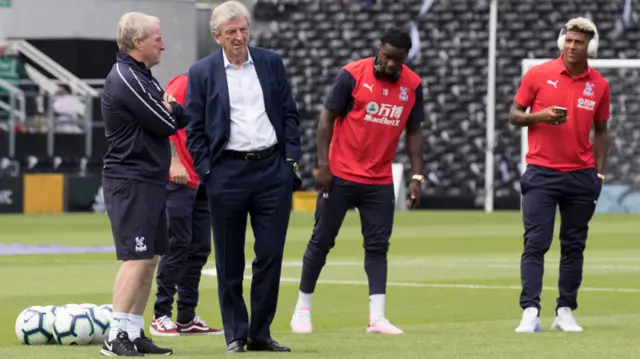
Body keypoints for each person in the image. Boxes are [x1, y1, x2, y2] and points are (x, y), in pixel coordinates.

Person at [290, 28, 425, 335]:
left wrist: (416, 176)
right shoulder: (351, 75)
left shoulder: (413, 85)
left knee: (378, 246)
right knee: (322, 241)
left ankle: (376, 318)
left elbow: (415, 131)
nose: (391, 64)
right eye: (387, 57)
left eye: (398, 60)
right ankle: (302, 309)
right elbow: (326, 118)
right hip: (339, 175)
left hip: (379, 180)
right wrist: (323, 166)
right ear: (379, 49)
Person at [185, 0, 301, 353]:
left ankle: (260, 333)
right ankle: (235, 332)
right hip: (227, 173)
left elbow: (289, 114)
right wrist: (208, 171)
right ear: (216, 35)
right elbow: (195, 130)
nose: (239, 37)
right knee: (229, 258)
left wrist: (290, 161)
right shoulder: (202, 72)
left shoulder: (269, 62)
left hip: (271, 170)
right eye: (231, 31)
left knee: (270, 254)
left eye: (243, 29)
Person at [508, 17, 610, 333]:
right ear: (561, 41)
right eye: (568, 40)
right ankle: (530, 312)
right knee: (535, 243)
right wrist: (540, 116)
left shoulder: (600, 85)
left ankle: (565, 310)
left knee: (574, 245)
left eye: (578, 42)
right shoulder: (538, 75)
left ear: (589, 46)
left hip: (581, 177)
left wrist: (600, 174)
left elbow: (602, 131)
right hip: (541, 173)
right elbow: (514, 115)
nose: (571, 47)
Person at [100, 12, 190, 356]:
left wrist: (169, 108)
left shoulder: (143, 77)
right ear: (138, 43)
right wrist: (168, 108)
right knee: (136, 257)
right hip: (131, 178)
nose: (163, 44)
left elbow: (179, 114)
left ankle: (134, 332)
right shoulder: (126, 76)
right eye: (157, 39)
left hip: (149, 178)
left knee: (150, 257)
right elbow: (167, 121)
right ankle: (115, 335)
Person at [149, 73, 223, 337]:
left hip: (202, 177)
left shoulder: (223, 87)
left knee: (199, 248)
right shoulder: (186, 82)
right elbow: (163, 117)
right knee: (178, 244)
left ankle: (186, 317)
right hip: (179, 176)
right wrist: (173, 159)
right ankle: (161, 315)